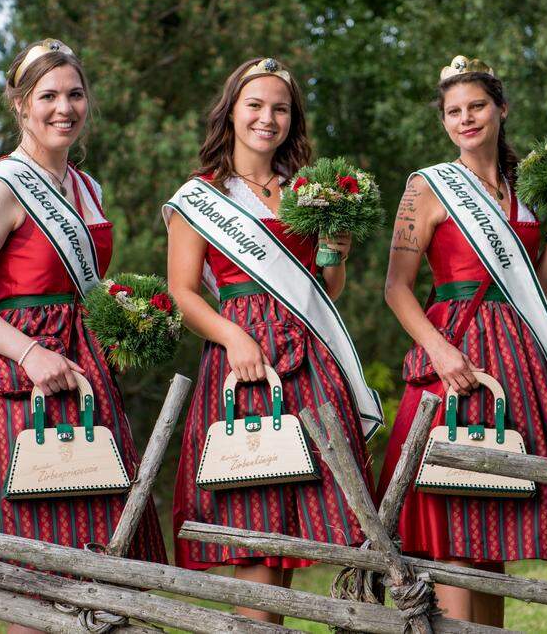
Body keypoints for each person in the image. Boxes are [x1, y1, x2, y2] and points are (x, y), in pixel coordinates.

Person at [0, 39, 166, 634]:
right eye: (49, 96)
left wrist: (123, 319)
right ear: (19, 104)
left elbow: (82, 286)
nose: (65, 108)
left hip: (85, 377)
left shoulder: (88, 189)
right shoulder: (0, 188)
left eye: (75, 94)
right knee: (34, 566)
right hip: (22, 381)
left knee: (99, 558)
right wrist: (31, 352)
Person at [379, 55, 547, 626]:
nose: (466, 118)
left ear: (501, 109)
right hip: (455, 354)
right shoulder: (426, 187)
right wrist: (438, 350)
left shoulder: (524, 189)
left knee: (494, 518)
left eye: (477, 106)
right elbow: (395, 289)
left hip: (514, 357)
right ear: (444, 121)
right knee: (455, 510)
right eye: (454, 111)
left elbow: (531, 291)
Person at [163, 57, 384, 624]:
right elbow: (184, 292)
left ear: (292, 119)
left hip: (310, 363)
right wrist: (233, 335)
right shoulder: (200, 196)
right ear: (231, 112)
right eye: (255, 105)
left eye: (280, 109)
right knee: (256, 541)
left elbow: (325, 288)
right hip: (245, 368)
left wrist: (336, 247)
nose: (268, 118)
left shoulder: (308, 192)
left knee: (290, 538)